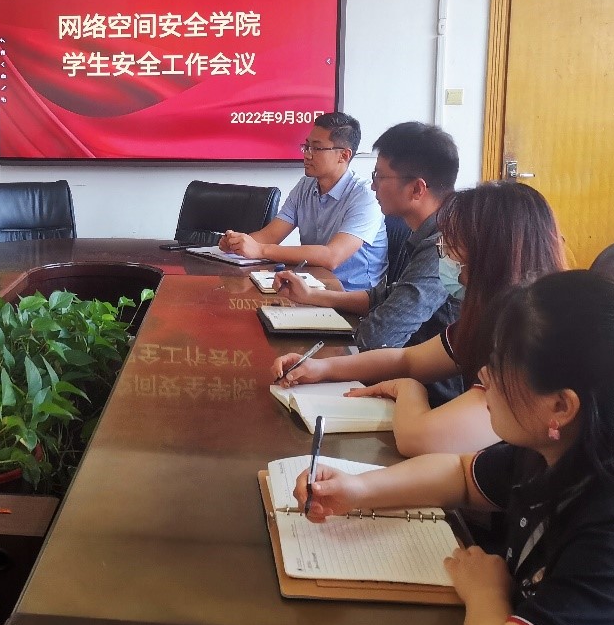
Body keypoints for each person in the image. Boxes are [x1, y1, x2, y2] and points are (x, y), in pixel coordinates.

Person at [292, 271, 614, 625]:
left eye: (500, 366)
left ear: (561, 406)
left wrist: (487, 593)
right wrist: (358, 489)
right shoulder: (566, 450)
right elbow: (460, 474)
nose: (483, 375)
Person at [272, 182, 566, 456]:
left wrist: (408, 388)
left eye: (451, 248)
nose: (445, 258)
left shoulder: (529, 340)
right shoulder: (491, 318)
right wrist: (320, 367)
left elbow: (419, 439)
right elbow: (408, 360)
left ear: (490, 257)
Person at [274, 121, 460, 351]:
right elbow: (387, 297)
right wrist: (311, 295)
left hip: (429, 371)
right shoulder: (436, 230)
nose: (373, 186)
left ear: (417, 189)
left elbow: (379, 337)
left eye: (380, 177)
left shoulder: (445, 246)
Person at [219, 112, 387, 292]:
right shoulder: (305, 185)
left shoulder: (365, 196)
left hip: (354, 296)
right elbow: (271, 235)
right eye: (306, 147)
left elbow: (332, 256)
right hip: (312, 288)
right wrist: (237, 243)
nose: (307, 155)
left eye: (316, 148)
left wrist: (260, 250)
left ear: (344, 155)